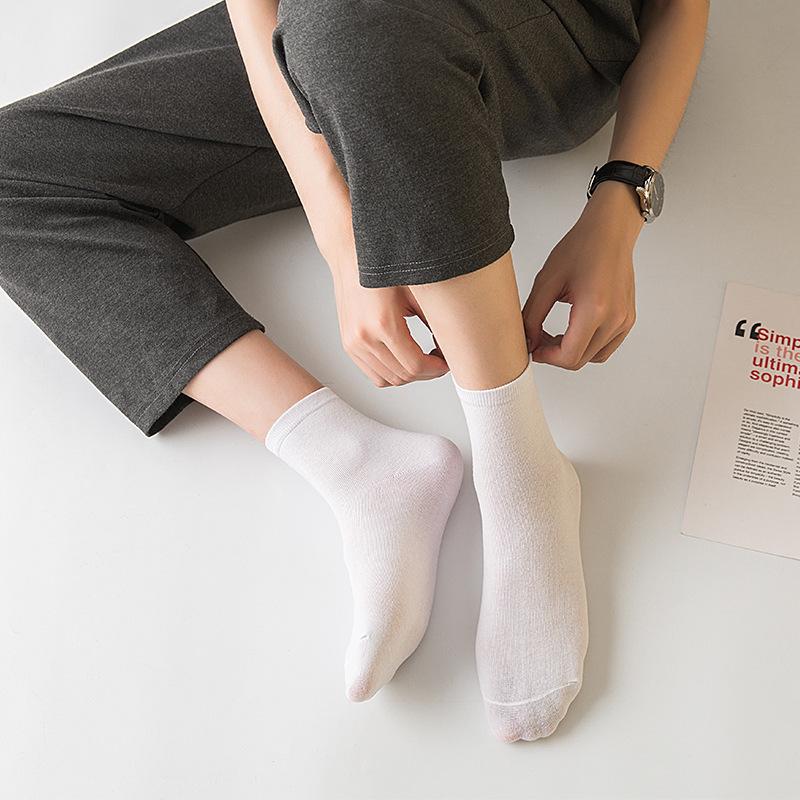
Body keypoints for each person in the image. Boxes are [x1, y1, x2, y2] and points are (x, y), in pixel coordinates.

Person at [0, 0, 709, 742]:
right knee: (16, 172)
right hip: (324, 34)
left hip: (529, 33)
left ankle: (521, 468)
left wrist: (623, 198)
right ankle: (358, 464)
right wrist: (338, 233)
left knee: (352, 32)